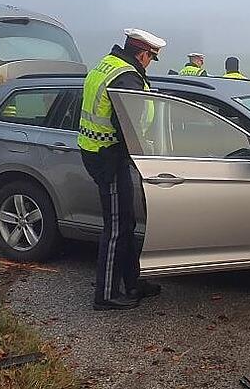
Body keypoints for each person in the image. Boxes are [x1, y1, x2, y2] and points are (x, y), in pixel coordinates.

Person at [78, 28, 166, 310]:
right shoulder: (126, 78)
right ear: (143, 54)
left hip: (98, 153)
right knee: (116, 228)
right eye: (151, 58)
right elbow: (128, 128)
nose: (149, 63)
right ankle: (105, 295)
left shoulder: (106, 65)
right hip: (111, 159)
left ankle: (131, 283)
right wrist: (146, 159)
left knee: (125, 223)